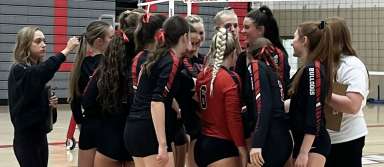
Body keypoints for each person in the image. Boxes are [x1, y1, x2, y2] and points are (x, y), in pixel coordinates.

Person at [124, 15, 191, 167]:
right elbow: (156, 101)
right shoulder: (171, 60)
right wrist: (162, 144)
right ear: (184, 36)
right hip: (149, 132)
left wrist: (174, 105)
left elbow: (150, 90)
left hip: (133, 128)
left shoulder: (158, 56)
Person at [8, 26, 79, 167]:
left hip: (40, 137)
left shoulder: (34, 72)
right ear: (25, 44)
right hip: (26, 141)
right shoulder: (19, 70)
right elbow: (42, 71)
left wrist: (50, 107)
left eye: (44, 41)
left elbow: (46, 117)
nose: (44, 44)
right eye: (38, 41)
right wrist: (66, 50)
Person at [194, 28, 247, 167]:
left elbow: (199, 108)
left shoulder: (202, 75)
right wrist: (242, 148)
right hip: (222, 147)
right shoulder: (229, 79)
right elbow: (233, 118)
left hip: (202, 143)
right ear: (233, 53)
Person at [289, 20, 335, 167]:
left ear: (304, 40)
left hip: (312, 144)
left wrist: (304, 152)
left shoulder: (312, 70)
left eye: (294, 37)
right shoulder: (306, 68)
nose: (291, 43)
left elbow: (313, 111)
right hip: (301, 141)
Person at [68, 20, 114, 167]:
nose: (114, 41)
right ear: (100, 41)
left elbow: (74, 101)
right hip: (107, 127)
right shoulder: (110, 65)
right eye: (111, 38)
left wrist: (82, 124)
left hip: (89, 126)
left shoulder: (79, 65)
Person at [325, 17, 369, 167]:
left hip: (347, 139)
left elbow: (352, 105)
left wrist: (321, 92)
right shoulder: (326, 62)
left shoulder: (351, 65)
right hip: (326, 139)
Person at [245, 38, 292, 167]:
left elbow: (263, 106)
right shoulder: (273, 72)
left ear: (249, 53)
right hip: (282, 137)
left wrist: (257, 143)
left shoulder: (255, 66)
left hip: (271, 140)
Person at [240, 5, 290, 97]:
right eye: (243, 27)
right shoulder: (243, 56)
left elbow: (281, 91)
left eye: (247, 27)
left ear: (260, 30)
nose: (242, 31)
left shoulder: (277, 55)